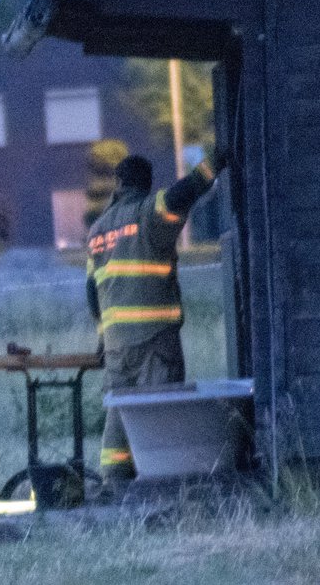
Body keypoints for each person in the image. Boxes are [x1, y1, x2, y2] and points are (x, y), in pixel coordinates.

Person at [85, 151, 226, 486]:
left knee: (120, 412)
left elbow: (92, 291)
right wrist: (215, 163)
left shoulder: (98, 231)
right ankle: (161, 483)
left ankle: (113, 481)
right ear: (146, 186)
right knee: (159, 412)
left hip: (117, 344)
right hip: (154, 337)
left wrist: (104, 336)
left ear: (118, 184)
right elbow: (183, 192)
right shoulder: (149, 214)